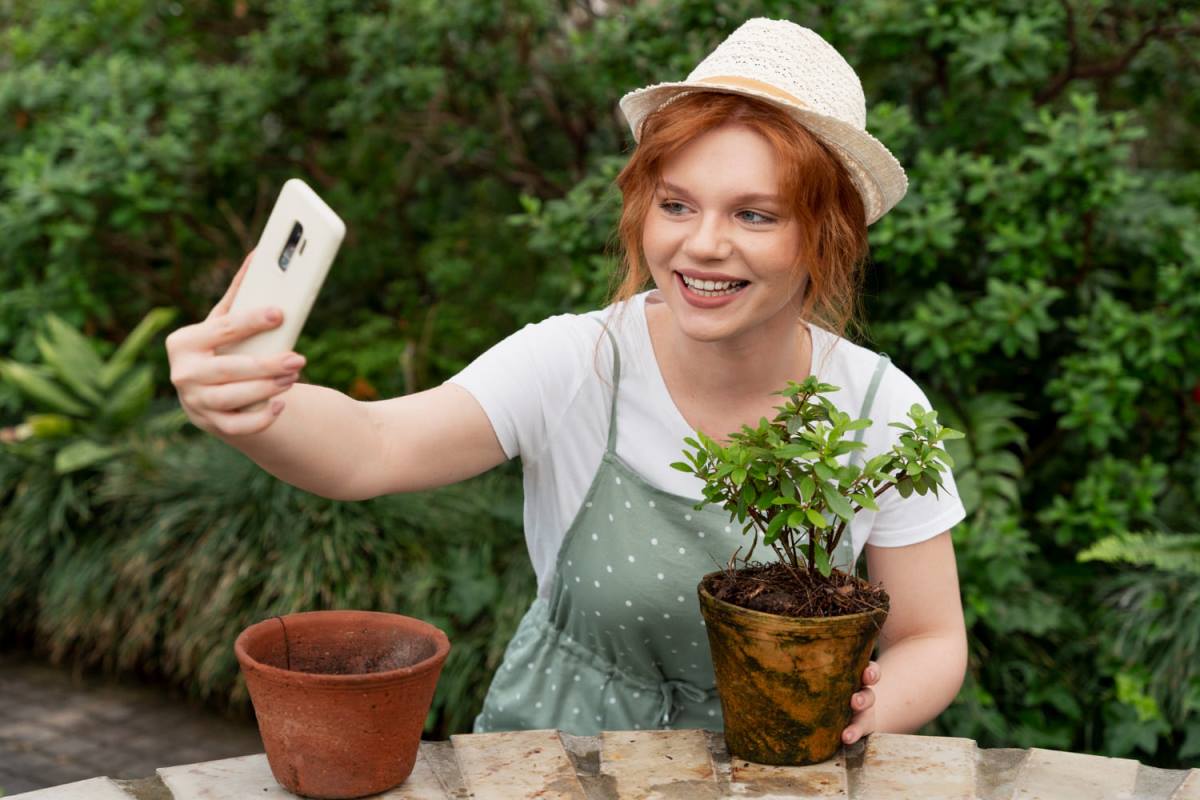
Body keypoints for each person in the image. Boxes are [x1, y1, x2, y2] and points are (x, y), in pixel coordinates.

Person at [167, 18, 967, 746]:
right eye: (677, 204)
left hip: (777, 775)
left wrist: (853, 715)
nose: (703, 245)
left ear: (825, 237)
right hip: (552, 767)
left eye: (755, 215)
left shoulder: (879, 410)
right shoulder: (575, 363)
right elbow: (373, 447)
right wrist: (251, 406)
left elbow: (932, 640)